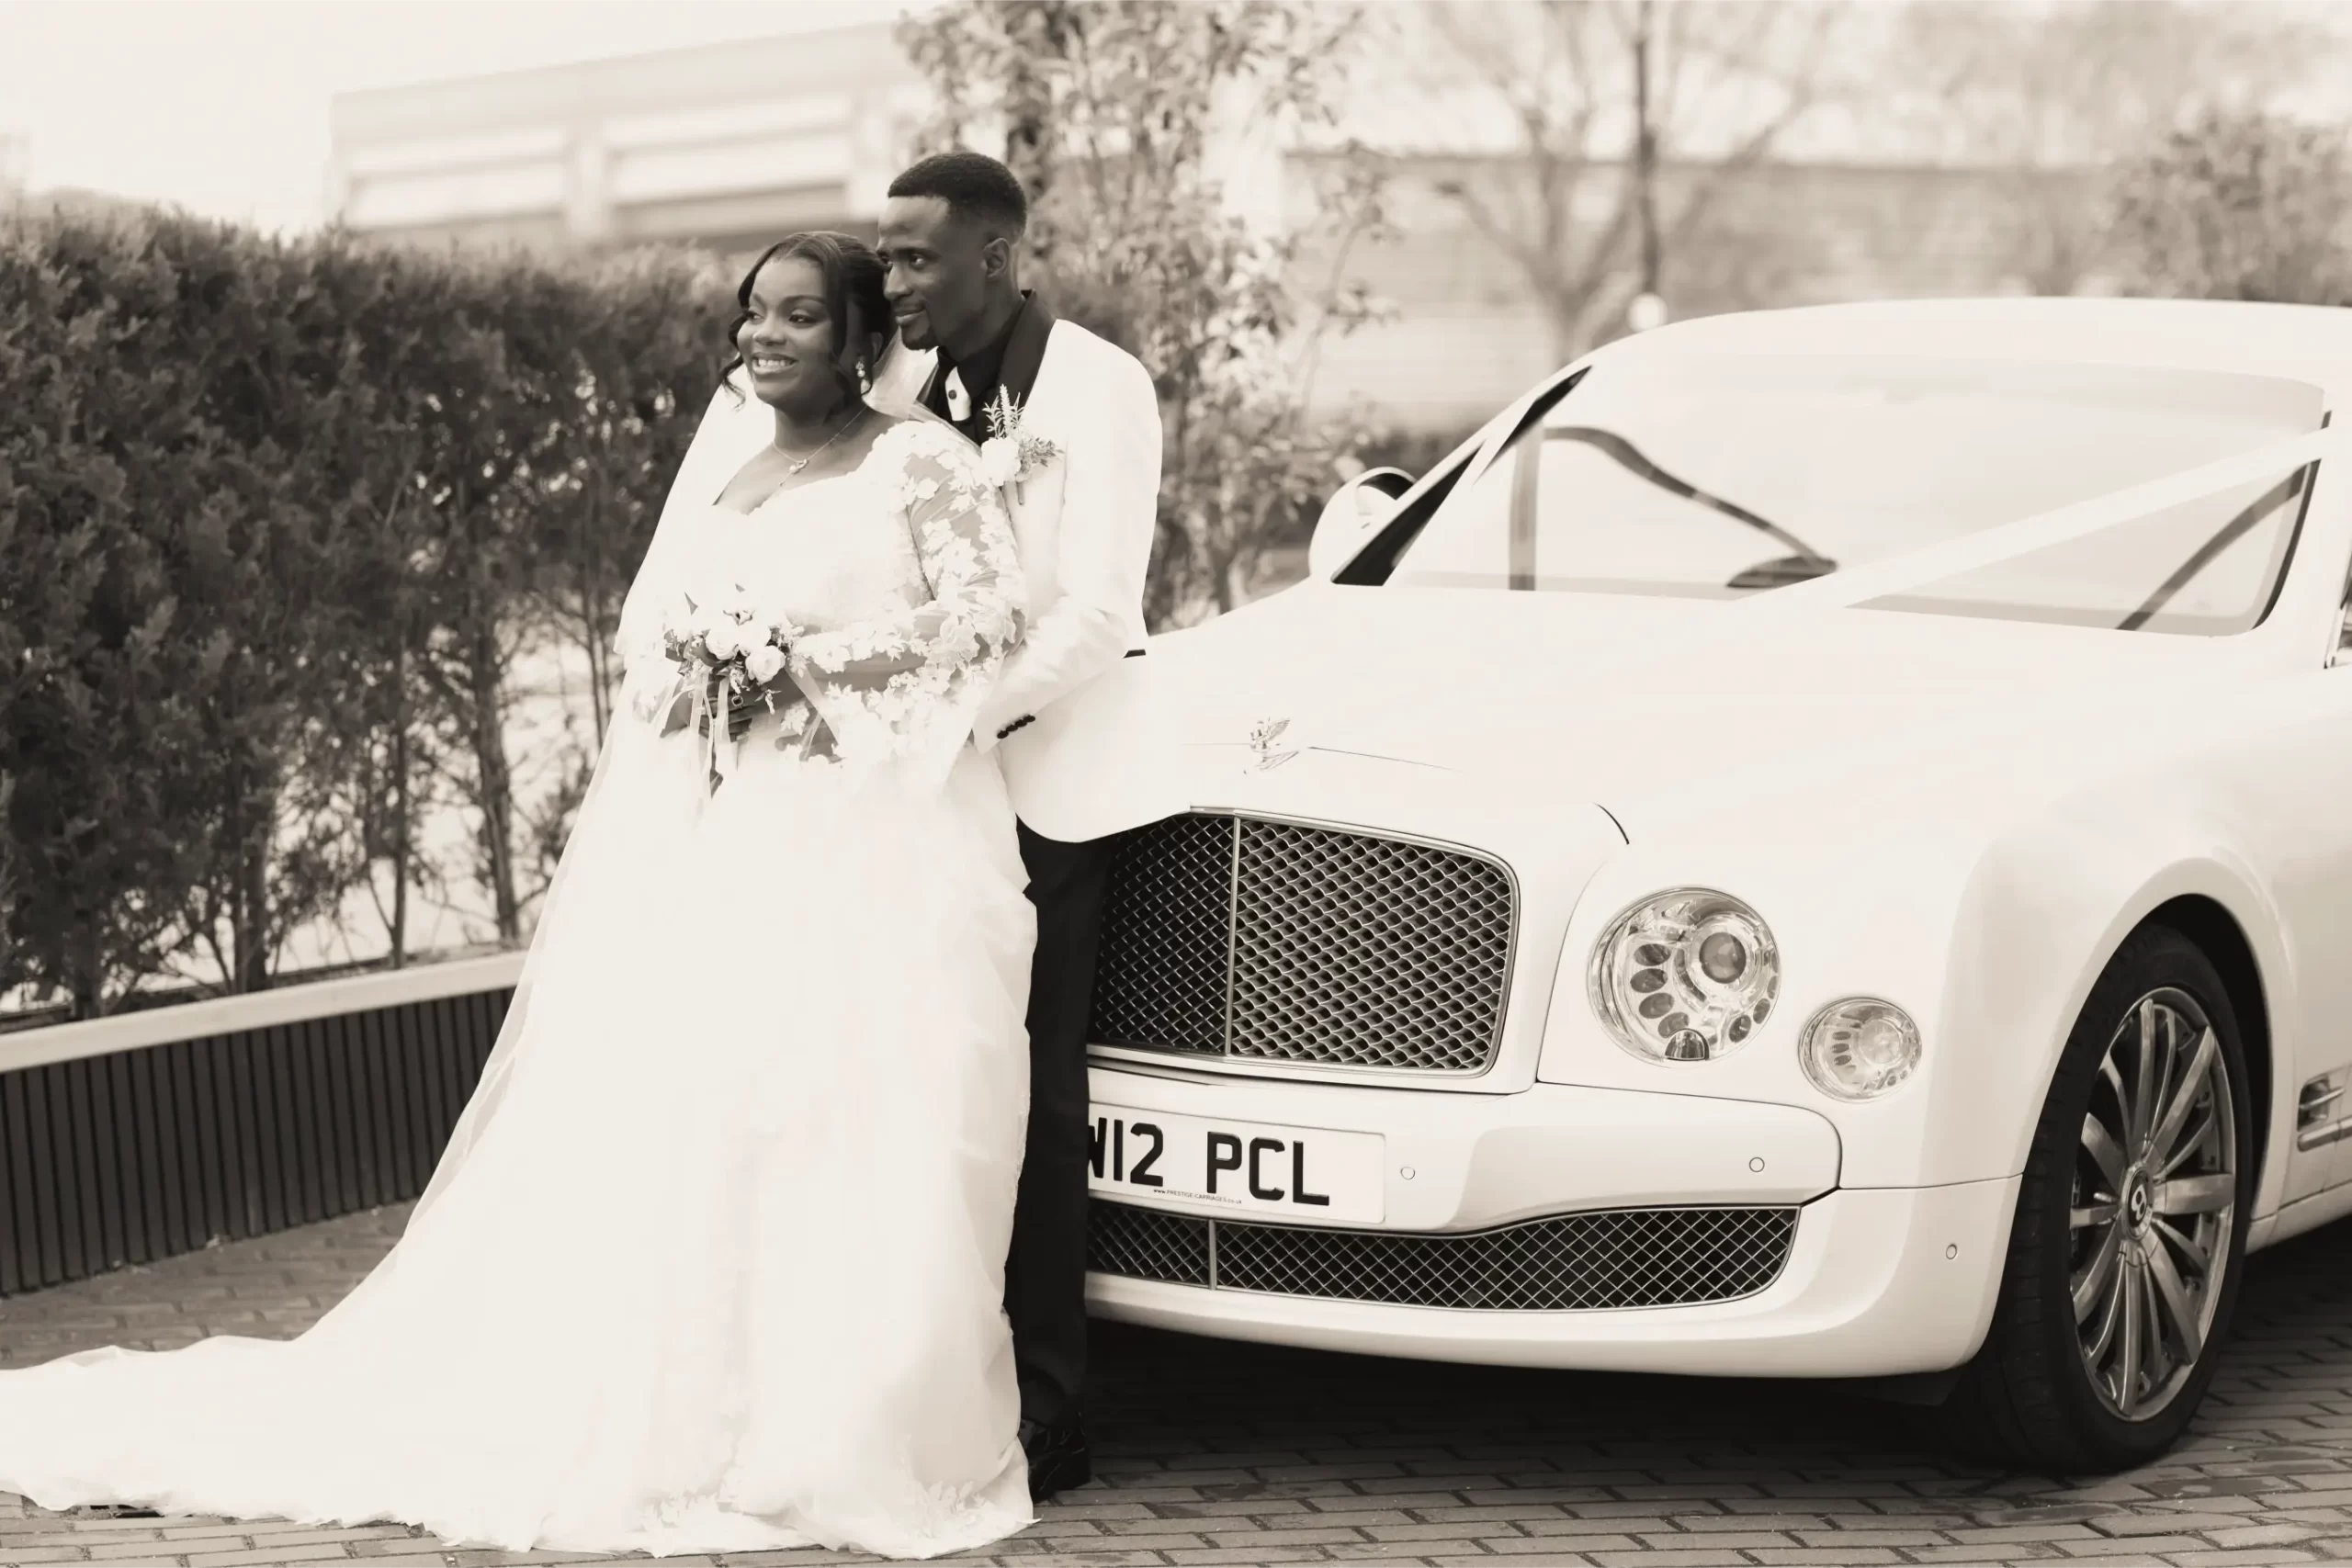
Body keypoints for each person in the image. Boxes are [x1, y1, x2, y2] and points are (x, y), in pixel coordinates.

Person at [0, 233, 1043, 1560]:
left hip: (879, 835)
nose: (765, 336)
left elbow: (985, 614)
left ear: (858, 338)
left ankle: (845, 1425)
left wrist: (804, 663)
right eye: (753, 314)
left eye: (799, 316)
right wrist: (714, 674)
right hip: (738, 842)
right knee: (713, 1124)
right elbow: (659, 643)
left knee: (857, 1114)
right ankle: (693, 1405)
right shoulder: (731, 472)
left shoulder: (920, 461)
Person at [876, 150, 1164, 1502]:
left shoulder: (1098, 387)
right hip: (915, 795)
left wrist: (956, 719)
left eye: (916, 257)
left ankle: (1052, 1405)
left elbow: (1099, 613)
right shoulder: (896, 390)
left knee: (1038, 1100)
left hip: (1047, 785)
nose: (894, 281)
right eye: (883, 258)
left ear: (995, 254)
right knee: (917, 1085)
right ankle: (929, 1372)